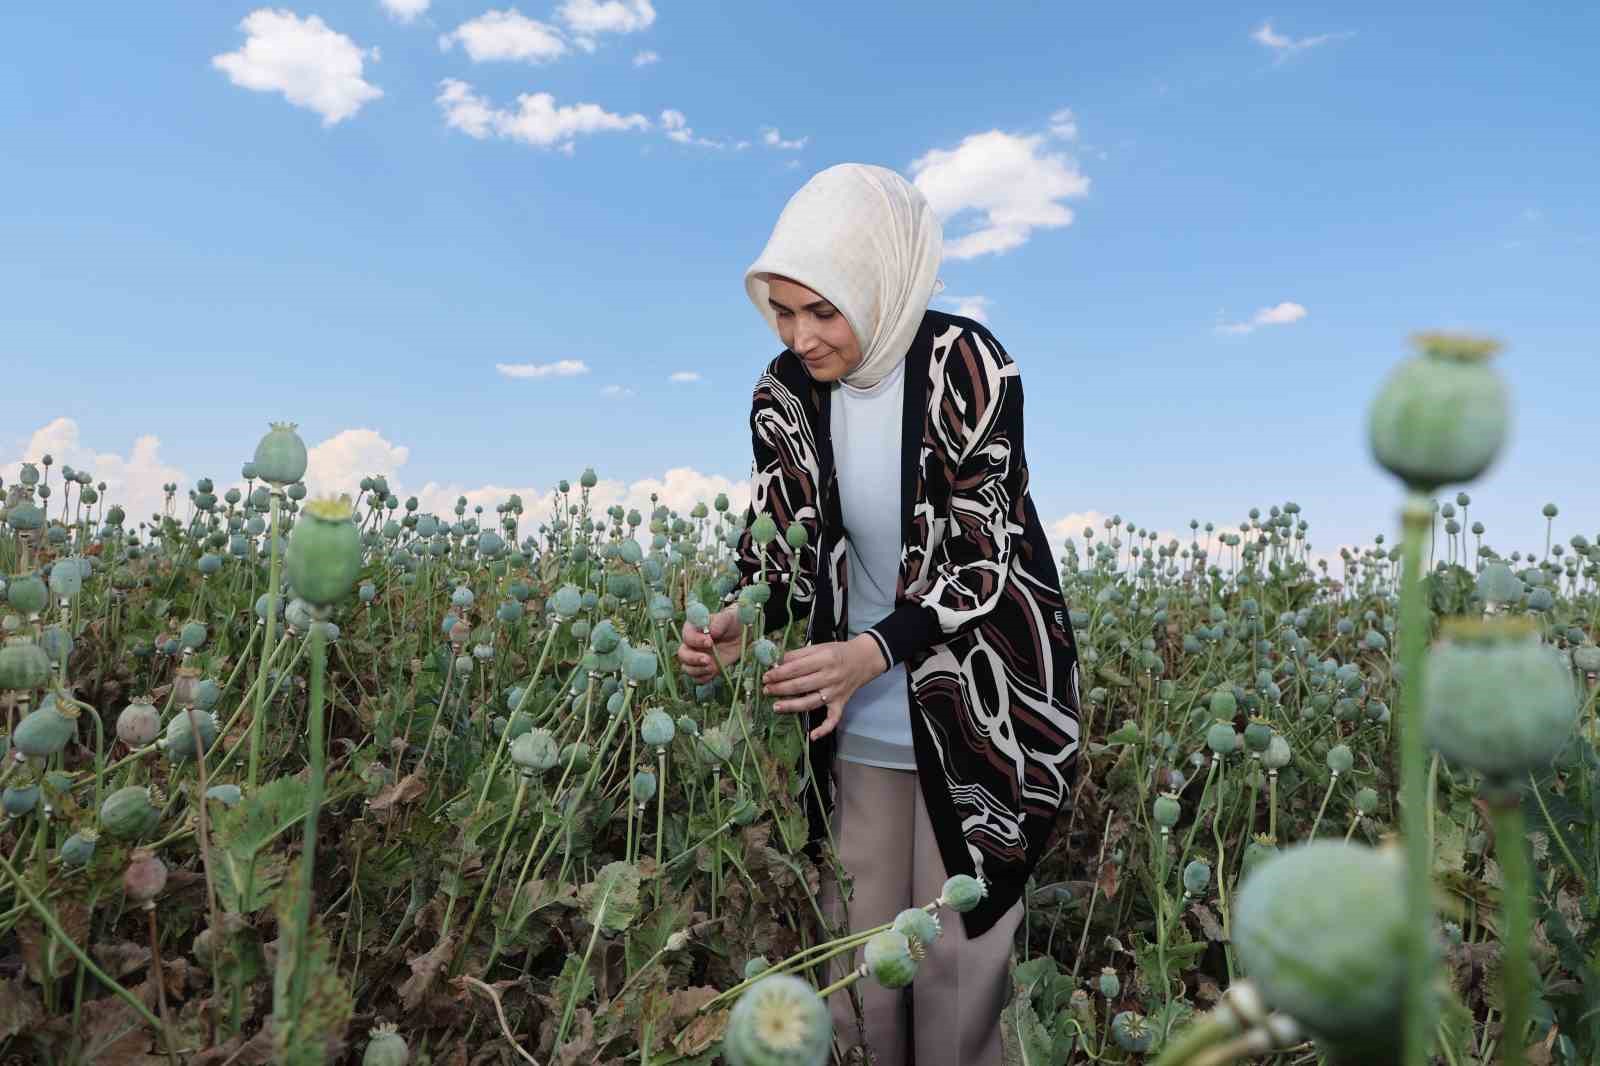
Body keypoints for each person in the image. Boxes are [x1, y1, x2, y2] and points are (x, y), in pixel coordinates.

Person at [678, 163, 1082, 1066]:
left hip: (981, 716)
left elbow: (986, 555)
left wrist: (875, 649)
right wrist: (741, 615)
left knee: (955, 975)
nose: (800, 334)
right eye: (782, 311)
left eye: (822, 311)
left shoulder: (967, 365)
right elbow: (778, 542)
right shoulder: (783, 390)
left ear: (881, 282)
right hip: (855, 709)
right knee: (859, 970)